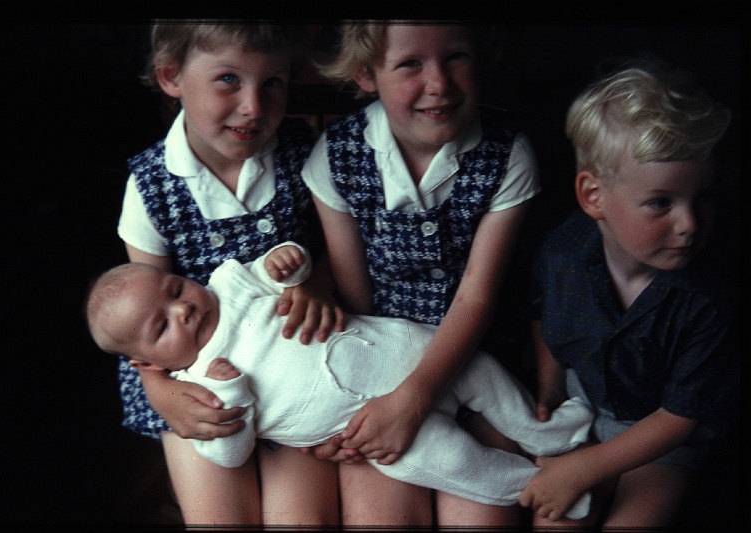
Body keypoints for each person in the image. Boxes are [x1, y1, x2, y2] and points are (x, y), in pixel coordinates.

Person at [86, 242, 594, 519]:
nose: (182, 309)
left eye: (176, 289)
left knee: (481, 373)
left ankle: (551, 433)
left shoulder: (228, 282)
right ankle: (536, 487)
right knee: (452, 464)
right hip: (370, 431)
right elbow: (229, 453)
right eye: (162, 327)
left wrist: (289, 261)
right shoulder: (199, 389)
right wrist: (232, 393)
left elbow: (283, 270)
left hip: (405, 353)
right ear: (146, 364)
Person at [300, 23, 541, 527]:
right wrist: (357, 410)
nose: (439, 83)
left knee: (481, 519)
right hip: (379, 369)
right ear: (366, 73)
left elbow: (476, 298)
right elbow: (356, 301)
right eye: (410, 64)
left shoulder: (507, 154)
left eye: (456, 57)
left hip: (478, 363)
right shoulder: (336, 156)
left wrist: (414, 402)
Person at [115, 22, 344, 526]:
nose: (254, 107)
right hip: (195, 378)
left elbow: (342, 247)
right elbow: (144, 315)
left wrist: (319, 280)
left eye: (273, 83)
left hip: (295, 366)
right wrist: (161, 391)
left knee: (301, 521)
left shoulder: (304, 152)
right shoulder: (151, 185)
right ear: (172, 77)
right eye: (228, 80)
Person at [520, 59, 738, 529]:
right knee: (554, 520)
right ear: (593, 196)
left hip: (664, 437)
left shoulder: (707, 300)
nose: (690, 224)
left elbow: (680, 418)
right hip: (585, 405)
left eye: (704, 198)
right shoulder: (563, 254)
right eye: (661, 203)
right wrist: (550, 387)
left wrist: (585, 468)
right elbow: (542, 313)